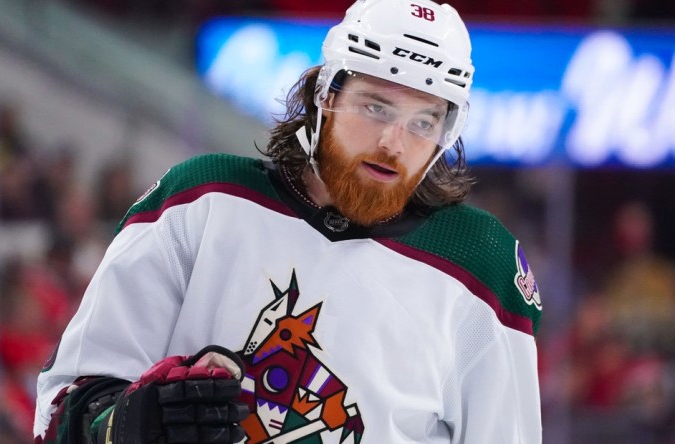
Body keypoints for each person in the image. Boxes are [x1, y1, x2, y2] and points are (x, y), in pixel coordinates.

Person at [34, 0, 543, 442]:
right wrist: (126, 424)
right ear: (325, 96)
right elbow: (62, 409)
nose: (394, 142)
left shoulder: (482, 266)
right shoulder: (203, 201)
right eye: (375, 107)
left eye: (423, 122)